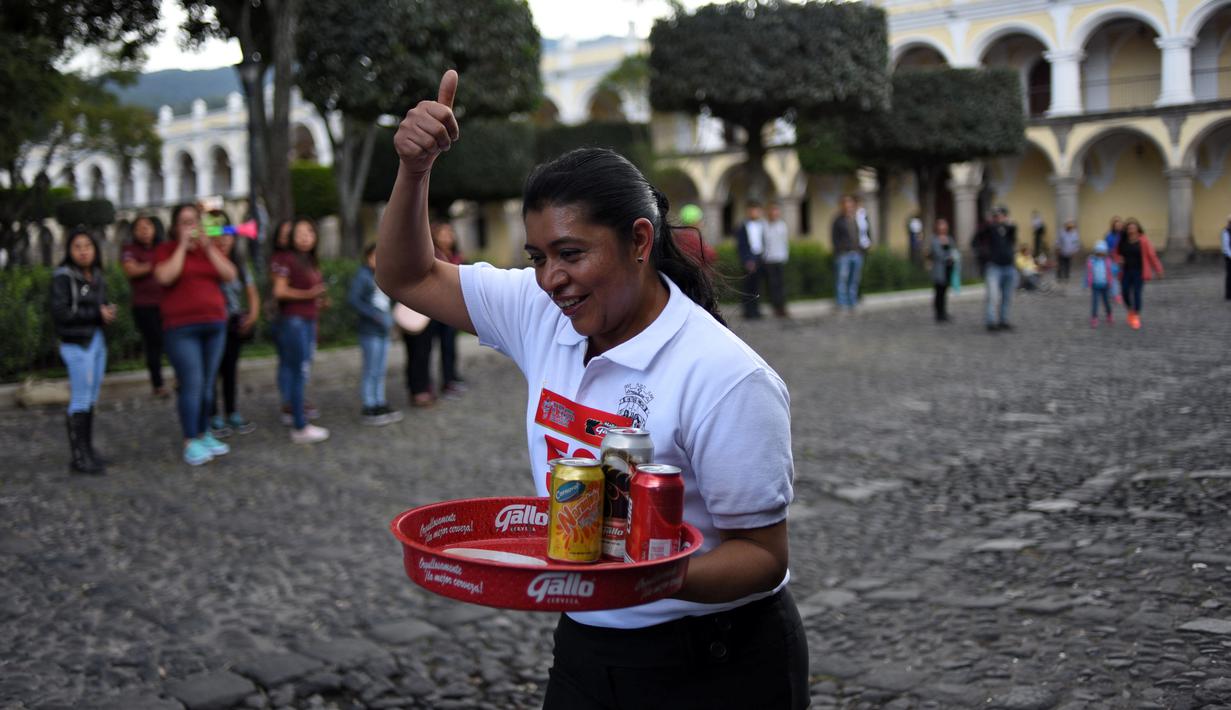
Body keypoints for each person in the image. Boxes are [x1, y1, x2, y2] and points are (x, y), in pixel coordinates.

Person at [376, 70, 807, 709]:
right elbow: (406, 274)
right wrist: (415, 171)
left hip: (714, 658)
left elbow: (762, 557)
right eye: (537, 257)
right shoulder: (539, 311)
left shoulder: (725, 376)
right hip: (588, 645)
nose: (551, 279)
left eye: (572, 254)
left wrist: (636, 579)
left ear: (639, 240)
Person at [153, 204, 238, 466]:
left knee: (207, 385)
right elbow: (165, 277)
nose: (192, 226)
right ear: (175, 227)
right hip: (181, 328)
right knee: (192, 383)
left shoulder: (208, 250)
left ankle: (204, 432)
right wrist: (181, 246)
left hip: (214, 324)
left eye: (196, 221)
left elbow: (230, 275)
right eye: (185, 222)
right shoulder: (166, 250)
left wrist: (209, 246)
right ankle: (191, 439)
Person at [51, 229, 117, 474]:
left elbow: (95, 305)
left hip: (95, 340)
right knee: (80, 398)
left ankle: (88, 450)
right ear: (69, 250)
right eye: (77, 246)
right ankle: (79, 457)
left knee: (90, 398)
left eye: (88, 245)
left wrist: (106, 313)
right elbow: (61, 313)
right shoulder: (64, 277)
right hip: (77, 343)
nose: (83, 250)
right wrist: (96, 314)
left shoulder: (96, 275)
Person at [271, 217, 330, 443]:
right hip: (294, 321)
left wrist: (318, 301)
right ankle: (299, 424)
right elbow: (280, 291)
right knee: (298, 371)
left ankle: (296, 415)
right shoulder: (286, 259)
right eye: (300, 233)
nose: (306, 237)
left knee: (299, 370)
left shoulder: (308, 260)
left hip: (306, 319)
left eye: (310, 232)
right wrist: (310, 295)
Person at [207, 212, 260, 438]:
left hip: (232, 324)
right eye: (217, 235)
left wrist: (253, 314)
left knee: (229, 371)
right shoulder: (207, 261)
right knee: (212, 372)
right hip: (212, 324)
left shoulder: (239, 263)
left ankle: (231, 412)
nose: (223, 240)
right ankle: (212, 416)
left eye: (227, 234)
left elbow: (251, 290)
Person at [348, 243, 403, 425]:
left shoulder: (385, 277)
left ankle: (380, 401)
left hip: (383, 331)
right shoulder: (362, 276)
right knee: (371, 369)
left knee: (380, 370)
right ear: (367, 257)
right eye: (374, 256)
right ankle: (369, 404)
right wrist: (373, 315)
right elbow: (354, 300)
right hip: (370, 331)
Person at [121, 215, 168, 397]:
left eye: (148, 226)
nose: (145, 230)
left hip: (164, 302)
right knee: (154, 343)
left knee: (170, 340)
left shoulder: (161, 247)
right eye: (140, 227)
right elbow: (131, 270)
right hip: (144, 306)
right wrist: (154, 265)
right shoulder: (129, 249)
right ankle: (158, 384)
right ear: (134, 232)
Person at [429, 221, 467, 398]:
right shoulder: (432, 255)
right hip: (434, 309)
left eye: (450, 233)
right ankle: (429, 384)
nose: (447, 237)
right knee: (429, 348)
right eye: (443, 234)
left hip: (452, 309)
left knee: (449, 346)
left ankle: (450, 379)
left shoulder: (456, 255)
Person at [973, 205, 1018, 332]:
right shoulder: (988, 228)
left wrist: (1011, 226)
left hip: (1009, 266)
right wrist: (984, 254)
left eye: (1002, 215)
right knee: (992, 296)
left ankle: (1004, 320)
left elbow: (1013, 240)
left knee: (1007, 296)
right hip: (994, 266)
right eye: (997, 215)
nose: (1000, 217)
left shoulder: (1009, 229)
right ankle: (991, 321)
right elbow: (976, 240)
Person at [1115, 218, 1164, 330]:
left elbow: (1152, 256)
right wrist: (1119, 259)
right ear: (1126, 230)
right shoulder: (1122, 241)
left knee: (1137, 293)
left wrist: (1158, 269)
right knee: (1125, 293)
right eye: (1129, 228)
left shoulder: (1143, 240)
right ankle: (1130, 310)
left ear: (1138, 228)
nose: (1131, 229)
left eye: (1133, 227)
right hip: (1125, 271)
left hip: (1139, 271)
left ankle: (1136, 316)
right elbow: (1115, 254)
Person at [831, 194, 866, 312]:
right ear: (842, 205)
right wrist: (839, 251)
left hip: (856, 253)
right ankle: (841, 303)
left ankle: (852, 301)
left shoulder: (857, 218)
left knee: (854, 279)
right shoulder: (838, 220)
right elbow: (834, 238)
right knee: (842, 279)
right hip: (843, 254)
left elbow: (863, 234)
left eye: (850, 204)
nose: (848, 206)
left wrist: (862, 249)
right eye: (846, 204)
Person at [734, 201, 766, 319]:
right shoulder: (743, 226)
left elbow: (763, 241)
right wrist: (746, 260)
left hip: (759, 257)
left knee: (757, 286)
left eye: (757, 210)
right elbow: (741, 245)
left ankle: (756, 310)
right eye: (752, 210)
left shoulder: (762, 225)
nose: (755, 213)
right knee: (748, 287)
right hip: (749, 258)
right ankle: (748, 311)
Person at [928, 218, 960, 323]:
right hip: (939, 269)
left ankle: (944, 312)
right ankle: (939, 313)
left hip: (948, 269)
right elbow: (938, 254)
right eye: (941, 226)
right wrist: (948, 257)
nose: (943, 228)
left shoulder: (949, 239)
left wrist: (952, 257)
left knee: (944, 292)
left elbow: (953, 249)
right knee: (939, 292)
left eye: (944, 226)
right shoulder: (935, 240)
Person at [762, 202, 790, 318]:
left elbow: (785, 242)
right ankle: (775, 307)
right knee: (772, 285)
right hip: (769, 259)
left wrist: (785, 255)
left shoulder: (782, 226)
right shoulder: (765, 226)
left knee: (781, 284)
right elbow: (763, 243)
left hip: (780, 258)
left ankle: (782, 306)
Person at [1085, 241, 1115, 328]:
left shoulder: (1107, 261)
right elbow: (1088, 272)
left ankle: (1109, 315)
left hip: (1105, 285)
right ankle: (1094, 318)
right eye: (1098, 252)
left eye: (1102, 253)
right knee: (1095, 303)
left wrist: (1111, 282)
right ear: (1096, 252)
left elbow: (1110, 272)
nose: (1100, 254)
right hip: (1095, 285)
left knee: (1106, 302)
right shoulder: (1092, 261)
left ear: (1105, 253)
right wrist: (1087, 283)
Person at [1221, 214, 1231, 301]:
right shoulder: (1226, 231)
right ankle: (1228, 295)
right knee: (1230, 275)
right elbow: (1226, 246)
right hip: (1229, 256)